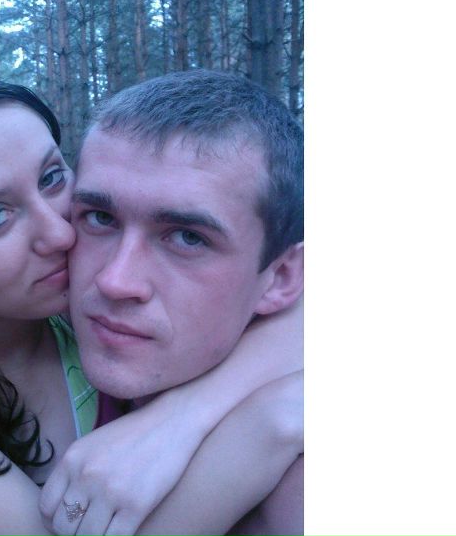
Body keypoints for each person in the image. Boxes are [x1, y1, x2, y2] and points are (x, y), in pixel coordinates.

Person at [0, 64, 302, 536]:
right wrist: (270, 426)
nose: (62, 233)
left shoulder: (99, 316)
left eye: (51, 178)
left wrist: (180, 417)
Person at [40, 69, 304, 536]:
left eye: (187, 238)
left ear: (280, 277)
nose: (115, 281)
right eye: (99, 218)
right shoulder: (28, 331)